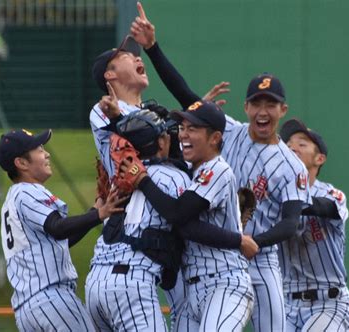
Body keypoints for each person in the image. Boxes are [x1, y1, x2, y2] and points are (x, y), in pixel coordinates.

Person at [129, 5, 312, 330]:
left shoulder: (290, 164)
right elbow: (186, 96)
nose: (263, 110)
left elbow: (291, 222)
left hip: (260, 260)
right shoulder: (229, 133)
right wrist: (152, 48)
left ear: (283, 109)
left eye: (270, 103)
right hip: (216, 257)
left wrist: (256, 242)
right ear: (246, 107)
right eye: (257, 102)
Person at [86, 109, 258, 331]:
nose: (181, 135)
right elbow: (180, 219)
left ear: (215, 138)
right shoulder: (179, 174)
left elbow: (179, 217)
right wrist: (237, 239)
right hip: (172, 288)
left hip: (224, 282)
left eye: (191, 129)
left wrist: (141, 176)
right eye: (181, 129)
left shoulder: (215, 168)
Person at [0, 128, 125, 331]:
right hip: (51, 299)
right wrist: (100, 214)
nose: (46, 154)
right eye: (38, 149)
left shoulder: (12, 200)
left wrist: (94, 211)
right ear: (21, 163)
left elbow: (60, 239)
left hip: (28, 310)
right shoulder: (27, 192)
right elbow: (58, 228)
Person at [279, 118, 349, 331]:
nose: (293, 147)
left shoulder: (331, 194)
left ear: (319, 158)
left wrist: (286, 201)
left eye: (302, 144)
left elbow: (324, 207)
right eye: (289, 144)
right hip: (287, 304)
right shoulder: (276, 195)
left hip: (328, 302)